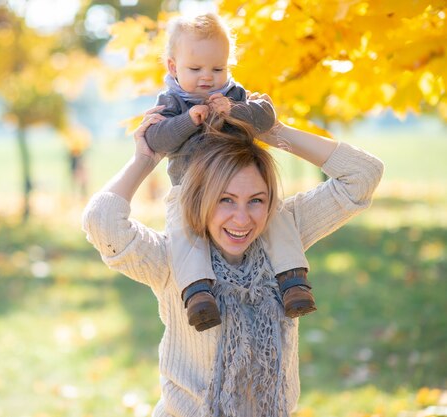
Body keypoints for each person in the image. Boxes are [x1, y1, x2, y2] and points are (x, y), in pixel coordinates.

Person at [82, 100, 384, 416]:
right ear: (200, 199)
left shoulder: (283, 234)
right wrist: (145, 159)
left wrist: (273, 131)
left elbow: (363, 175)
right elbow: (102, 222)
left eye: (256, 200)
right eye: (225, 200)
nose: (242, 219)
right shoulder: (173, 256)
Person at [144, 13, 315, 331]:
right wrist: (187, 121)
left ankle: (293, 281)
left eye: (218, 69)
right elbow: (157, 139)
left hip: (241, 182)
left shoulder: (233, 94)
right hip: (190, 189)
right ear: (173, 67)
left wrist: (235, 111)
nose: (207, 77)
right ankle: (197, 293)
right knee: (183, 231)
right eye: (195, 69)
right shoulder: (172, 102)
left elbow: (265, 116)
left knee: (275, 215)